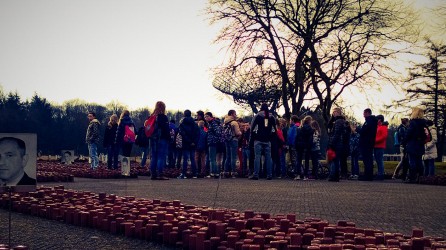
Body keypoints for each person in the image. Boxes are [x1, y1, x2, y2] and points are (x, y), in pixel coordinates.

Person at [249, 103, 276, 180]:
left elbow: (252, 128)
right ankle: (269, 174)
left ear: (261, 108)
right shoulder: (271, 117)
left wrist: (252, 138)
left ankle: (256, 174)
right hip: (267, 140)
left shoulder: (257, 116)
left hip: (258, 139)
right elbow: (274, 130)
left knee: (257, 157)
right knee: (268, 157)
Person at [149, 101, 170, 180]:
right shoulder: (163, 117)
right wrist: (169, 138)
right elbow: (166, 129)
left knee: (154, 157)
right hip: (162, 138)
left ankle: (153, 174)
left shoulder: (152, 117)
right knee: (161, 157)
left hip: (153, 139)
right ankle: (160, 174)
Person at [405, 107, 427, 183]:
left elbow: (408, 133)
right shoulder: (423, 123)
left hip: (412, 144)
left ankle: (412, 178)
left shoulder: (413, 123)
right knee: (419, 161)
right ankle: (420, 177)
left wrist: (404, 140)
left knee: (412, 161)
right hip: (420, 144)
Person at [327, 107, 349, 182]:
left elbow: (337, 133)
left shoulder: (339, 121)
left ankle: (334, 175)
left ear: (339, 113)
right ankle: (335, 175)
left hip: (336, 143)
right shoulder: (337, 121)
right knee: (334, 160)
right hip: (337, 143)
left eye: (335, 112)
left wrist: (332, 143)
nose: (333, 113)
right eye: (333, 112)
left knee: (334, 160)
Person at [355, 108, 377, 181]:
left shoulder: (369, 121)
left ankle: (367, 176)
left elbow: (363, 131)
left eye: (364, 113)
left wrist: (356, 129)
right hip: (369, 143)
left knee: (367, 160)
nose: (363, 114)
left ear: (367, 113)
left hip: (366, 143)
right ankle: (368, 175)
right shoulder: (373, 121)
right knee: (369, 159)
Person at [178, 110, 200, 179]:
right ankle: (194, 174)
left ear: (184, 114)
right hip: (193, 144)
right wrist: (194, 142)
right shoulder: (195, 124)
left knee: (185, 159)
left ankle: (184, 173)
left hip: (185, 143)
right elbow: (197, 134)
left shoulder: (182, 124)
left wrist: (188, 141)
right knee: (192, 158)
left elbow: (182, 133)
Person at [223, 110, 242, 178]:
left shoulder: (225, 122)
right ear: (231, 114)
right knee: (233, 157)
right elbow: (237, 133)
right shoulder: (234, 122)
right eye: (235, 114)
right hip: (233, 140)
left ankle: (226, 172)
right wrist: (241, 132)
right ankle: (233, 172)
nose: (235, 115)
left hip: (227, 140)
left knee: (227, 156)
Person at [204, 112, 223, 178]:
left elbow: (218, 132)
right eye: (205, 117)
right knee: (213, 158)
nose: (205, 118)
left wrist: (213, 139)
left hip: (212, 142)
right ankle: (215, 172)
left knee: (212, 158)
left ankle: (213, 172)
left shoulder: (213, 123)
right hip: (213, 142)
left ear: (210, 116)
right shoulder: (213, 123)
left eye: (206, 116)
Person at [374, 115, 388, 180]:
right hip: (376, 146)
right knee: (378, 160)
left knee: (380, 160)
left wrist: (375, 141)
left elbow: (384, 136)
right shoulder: (378, 127)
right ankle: (380, 173)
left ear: (379, 120)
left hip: (380, 146)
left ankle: (381, 174)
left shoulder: (383, 127)